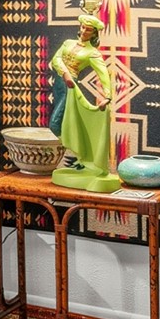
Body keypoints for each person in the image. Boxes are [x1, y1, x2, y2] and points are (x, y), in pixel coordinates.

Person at [48, 11, 121, 192]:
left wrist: (107, 96)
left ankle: (78, 153)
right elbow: (55, 59)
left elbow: (103, 74)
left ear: (94, 33)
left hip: (71, 88)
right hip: (59, 82)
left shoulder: (92, 53)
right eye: (83, 27)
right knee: (65, 121)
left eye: (89, 30)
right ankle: (79, 159)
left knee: (55, 124)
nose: (84, 31)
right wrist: (64, 72)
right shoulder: (68, 43)